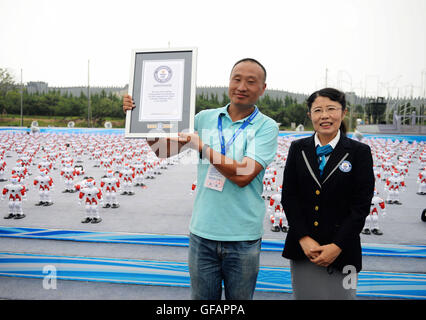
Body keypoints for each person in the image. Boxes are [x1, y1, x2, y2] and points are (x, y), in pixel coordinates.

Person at [123, 58, 279, 300]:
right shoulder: (205, 118)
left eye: (251, 81)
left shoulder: (266, 127)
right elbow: (162, 150)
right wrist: (142, 116)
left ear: (263, 88)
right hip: (202, 234)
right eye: (236, 79)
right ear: (229, 82)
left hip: (242, 238)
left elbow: (243, 175)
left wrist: (202, 146)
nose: (241, 86)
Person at [281, 87, 374, 300]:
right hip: (304, 251)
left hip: (344, 250)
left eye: (331, 109)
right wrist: (303, 238)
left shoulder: (359, 152)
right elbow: (290, 196)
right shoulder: (298, 148)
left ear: (343, 112)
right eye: (318, 110)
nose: (324, 116)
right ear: (309, 115)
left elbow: (360, 206)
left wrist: (337, 245)